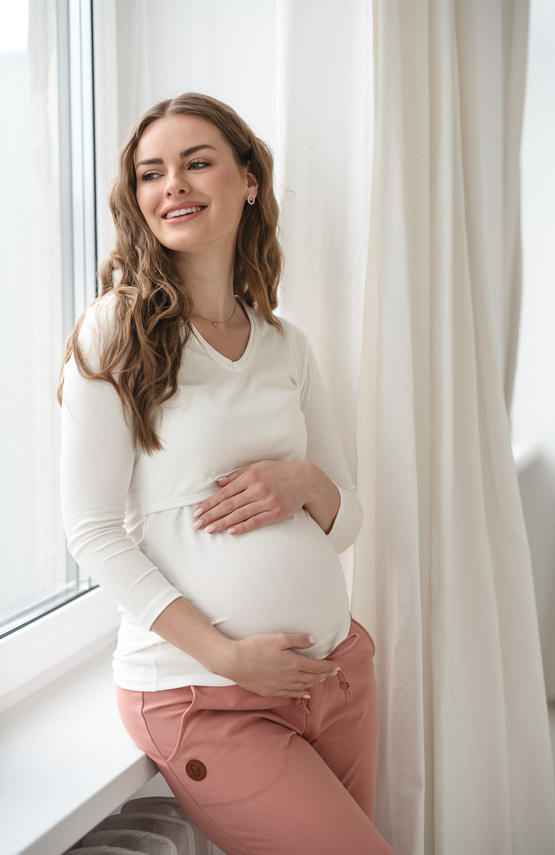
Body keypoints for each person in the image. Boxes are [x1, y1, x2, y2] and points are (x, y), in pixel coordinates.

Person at [59, 92, 395, 855]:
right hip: (206, 693)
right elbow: (93, 532)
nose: (170, 184)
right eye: (151, 173)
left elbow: (346, 523)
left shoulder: (285, 343)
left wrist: (306, 482)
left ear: (248, 180)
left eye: (195, 162)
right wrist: (229, 657)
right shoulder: (117, 330)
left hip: (337, 675)